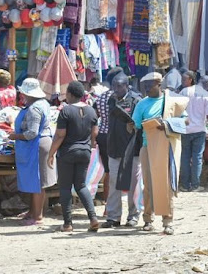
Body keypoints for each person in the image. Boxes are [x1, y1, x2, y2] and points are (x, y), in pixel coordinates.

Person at [48, 81, 99, 232]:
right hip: (85, 152)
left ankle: (67, 224)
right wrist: (89, 145)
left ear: (69, 94)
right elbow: (94, 133)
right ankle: (93, 218)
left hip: (68, 152)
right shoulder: (91, 111)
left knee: (65, 187)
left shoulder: (66, 110)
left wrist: (51, 154)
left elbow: (59, 136)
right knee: (81, 185)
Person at [8, 78, 56, 226]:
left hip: (37, 147)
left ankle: (38, 216)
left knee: (38, 182)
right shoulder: (42, 104)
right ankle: (32, 211)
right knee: (34, 181)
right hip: (36, 146)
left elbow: (32, 133)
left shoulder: (35, 109)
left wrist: (14, 136)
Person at [132, 72, 176, 234]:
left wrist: (166, 124)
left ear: (159, 84)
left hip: (166, 147)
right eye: (144, 87)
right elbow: (135, 125)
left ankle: (167, 221)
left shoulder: (170, 102)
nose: (147, 89)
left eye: (149, 86)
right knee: (148, 185)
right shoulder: (142, 104)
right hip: (147, 147)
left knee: (166, 185)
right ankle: (148, 219)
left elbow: (185, 120)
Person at [102, 73, 142, 228]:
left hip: (132, 150)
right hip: (114, 148)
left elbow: (139, 124)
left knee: (133, 184)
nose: (116, 89)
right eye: (114, 86)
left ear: (127, 85)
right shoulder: (111, 99)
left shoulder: (136, 100)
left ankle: (133, 216)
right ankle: (113, 217)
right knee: (113, 183)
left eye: (119, 86)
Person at [93, 67, 127, 213]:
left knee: (108, 171)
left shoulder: (100, 98)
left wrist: (93, 138)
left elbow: (94, 119)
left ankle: (109, 206)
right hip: (119, 136)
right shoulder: (122, 97)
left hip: (102, 135)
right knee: (121, 171)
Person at [179, 73, 208, 192]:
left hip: (185, 129)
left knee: (184, 156)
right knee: (197, 157)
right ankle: (195, 185)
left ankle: (184, 185)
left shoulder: (183, 92)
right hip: (199, 130)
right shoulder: (207, 95)